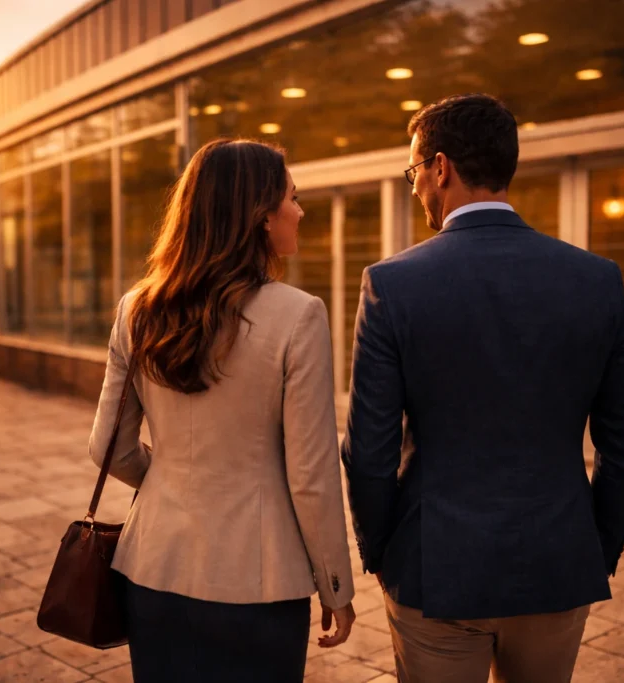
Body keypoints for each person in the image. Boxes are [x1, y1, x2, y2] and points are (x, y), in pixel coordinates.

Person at [340, 94, 624, 683]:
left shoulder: (392, 285)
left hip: (434, 569)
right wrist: (591, 548)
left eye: (413, 173)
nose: (414, 189)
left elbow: (368, 452)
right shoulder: (597, 281)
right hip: (557, 564)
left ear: (440, 167)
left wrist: (385, 555)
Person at [88, 139, 356, 682]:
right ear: (260, 216)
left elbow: (107, 449)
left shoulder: (136, 309)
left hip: (152, 569)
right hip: (259, 580)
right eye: (293, 198)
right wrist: (335, 585)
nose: (300, 211)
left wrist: (168, 479)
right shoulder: (299, 316)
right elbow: (311, 476)